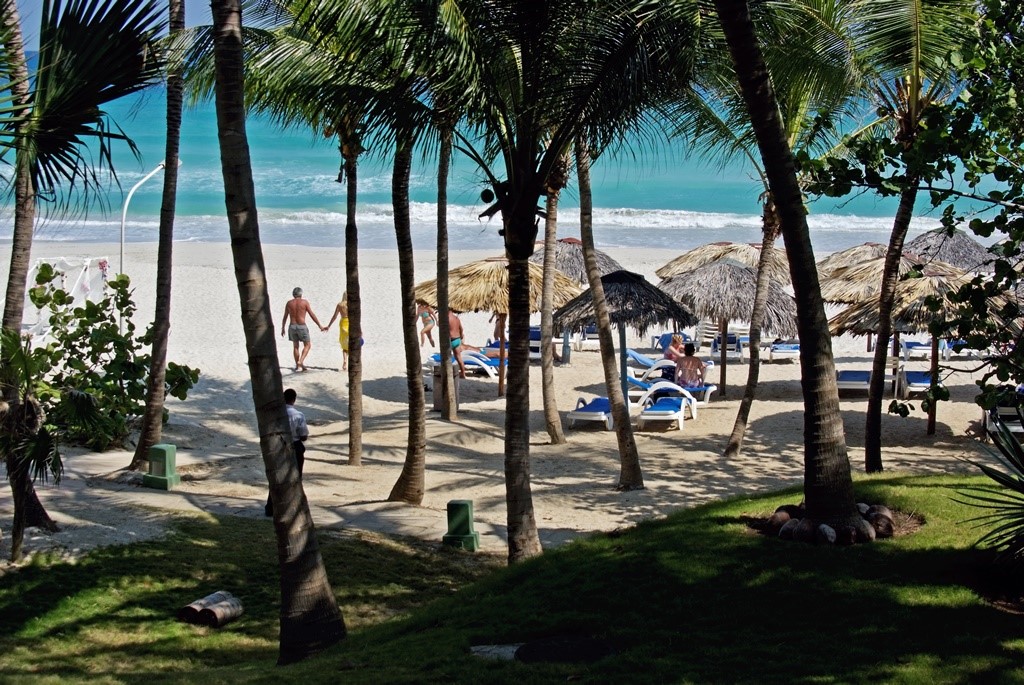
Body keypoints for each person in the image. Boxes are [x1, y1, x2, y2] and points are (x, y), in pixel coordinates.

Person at [265, 388, 309, 517]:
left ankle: (271, 507)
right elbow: (304, 435)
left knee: (276, 476)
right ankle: (293, 508)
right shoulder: (298, 415)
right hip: (294, 446)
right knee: (296, 477)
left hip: (278, 446)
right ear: (294, 400)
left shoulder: (276, 414)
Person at [281, 287, 325, 372]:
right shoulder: (304, 302)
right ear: (301, 294)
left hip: (292, 326)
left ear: (293, 294)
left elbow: (285, 316)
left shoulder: (289, 303)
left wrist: (283, 328)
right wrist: (319, 325)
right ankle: (300, 361)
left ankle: (299, 366)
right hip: (302, 326)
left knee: (295, 346)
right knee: (307, 345)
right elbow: (311, 314)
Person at [326, 293, 351, 370]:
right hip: (350, 322)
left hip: (343, 323)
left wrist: (329, 326)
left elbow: (334, 316)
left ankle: (344, 361)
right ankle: (352, 362)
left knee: (344, 346)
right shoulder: (351, 304)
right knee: (352, 344)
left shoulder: (340, 305)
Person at [448, 309, 468, 378]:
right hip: (457, 339)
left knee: (447, 357)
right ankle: (463, 374)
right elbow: (461, 329)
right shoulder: (456, 318)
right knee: (459, 357)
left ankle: (448, 373)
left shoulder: (446, 318)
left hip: (450, 339)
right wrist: (461, 335)